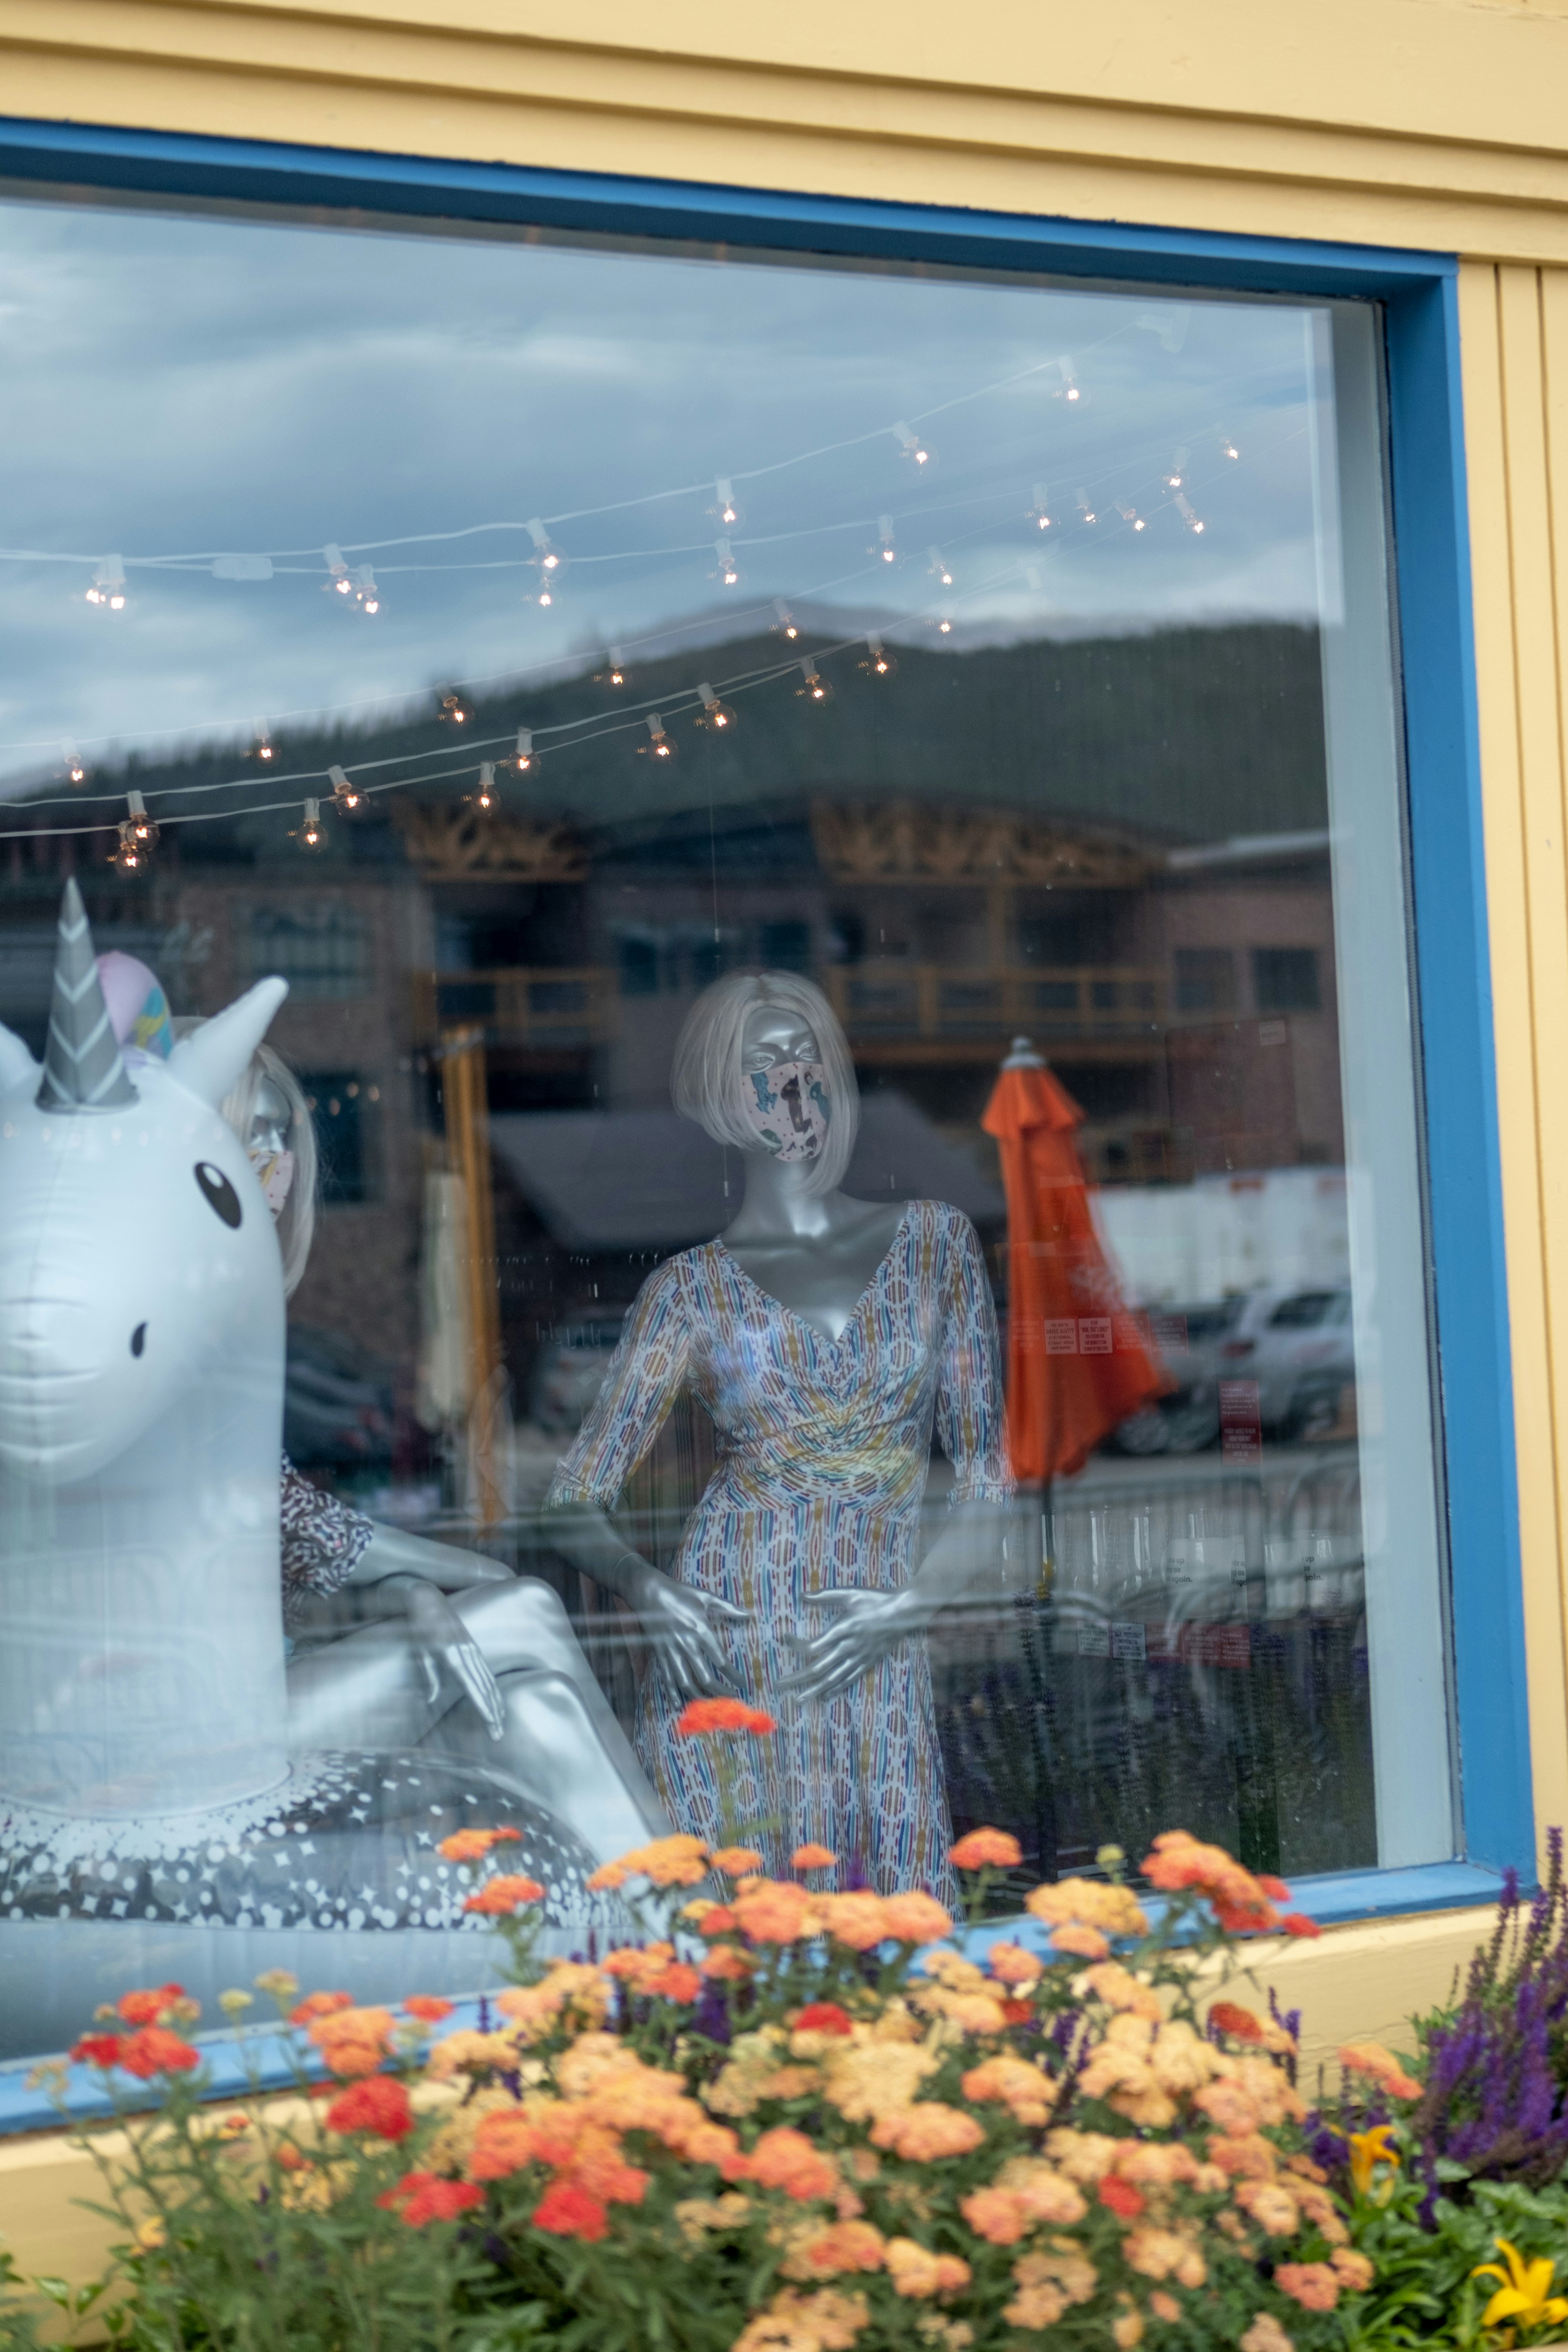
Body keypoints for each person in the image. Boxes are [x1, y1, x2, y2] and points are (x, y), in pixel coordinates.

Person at [115, 965, 670, 1870]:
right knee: (523, 1613)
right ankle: (704, 1946)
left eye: (276, 1135)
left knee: (537, 1709)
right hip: (191, 1749)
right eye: (244, 1132)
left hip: (244, 1714)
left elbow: (314, 1542)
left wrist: (422, 1588)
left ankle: (658, 1955)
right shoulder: (164, 1349)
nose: (276, 1163)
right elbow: (321, 1537)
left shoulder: (215, 1343)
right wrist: (445, 1579)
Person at [545, 971, 1012, 1902]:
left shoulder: (932, 1244)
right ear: (720, 1094)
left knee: (892, 1918)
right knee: (741, 1920)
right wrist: (648, 1590)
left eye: (808, 1054)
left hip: (874, 1634)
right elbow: (570, 1498)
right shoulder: (690, 1291)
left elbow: (987, 1477)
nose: (793, 1076)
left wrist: (914, 1606)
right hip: (733, 1632)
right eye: (763, 1061)